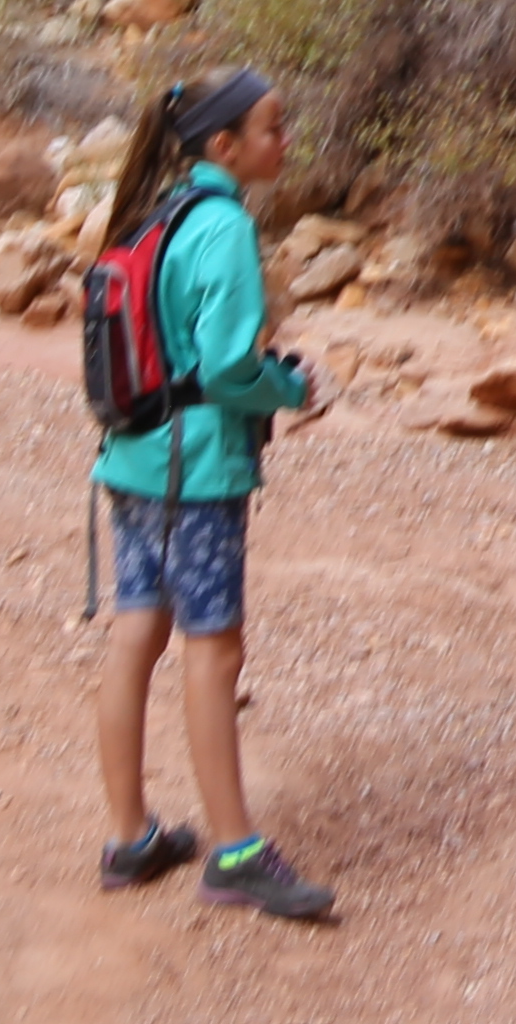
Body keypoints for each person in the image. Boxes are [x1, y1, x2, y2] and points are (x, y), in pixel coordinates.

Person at [88, 67, 336, 923]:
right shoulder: (223, 225)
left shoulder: (152, 214)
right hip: (196, 476)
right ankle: (234, 852)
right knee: (212, 650)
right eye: (274, 128)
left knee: (135, 636)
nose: (286, 140)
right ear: (224, 146)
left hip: (129, 463)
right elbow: (229, 368)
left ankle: (129, 836)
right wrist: (296, 389)